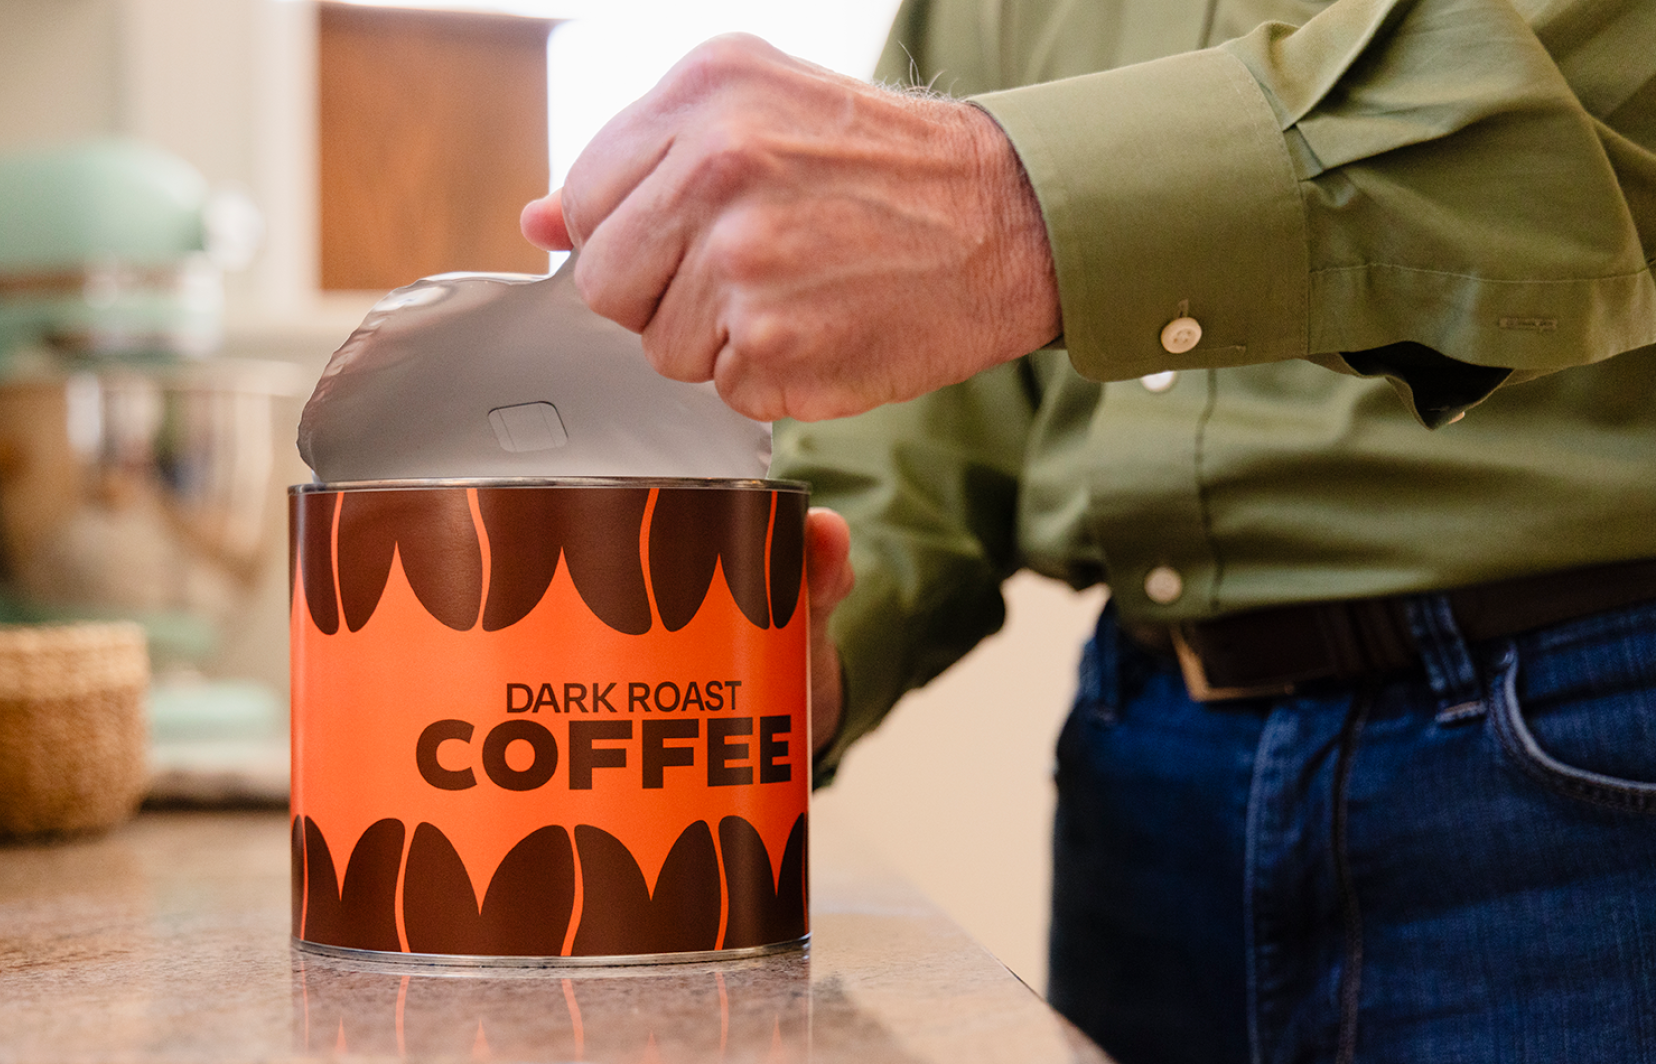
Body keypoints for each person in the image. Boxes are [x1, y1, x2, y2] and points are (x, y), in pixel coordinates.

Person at [522, 0, 1656, 1061]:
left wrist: (1013, 201)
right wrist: (778, 647)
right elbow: (919, 412)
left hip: (1586, 746)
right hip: (1141, 763)